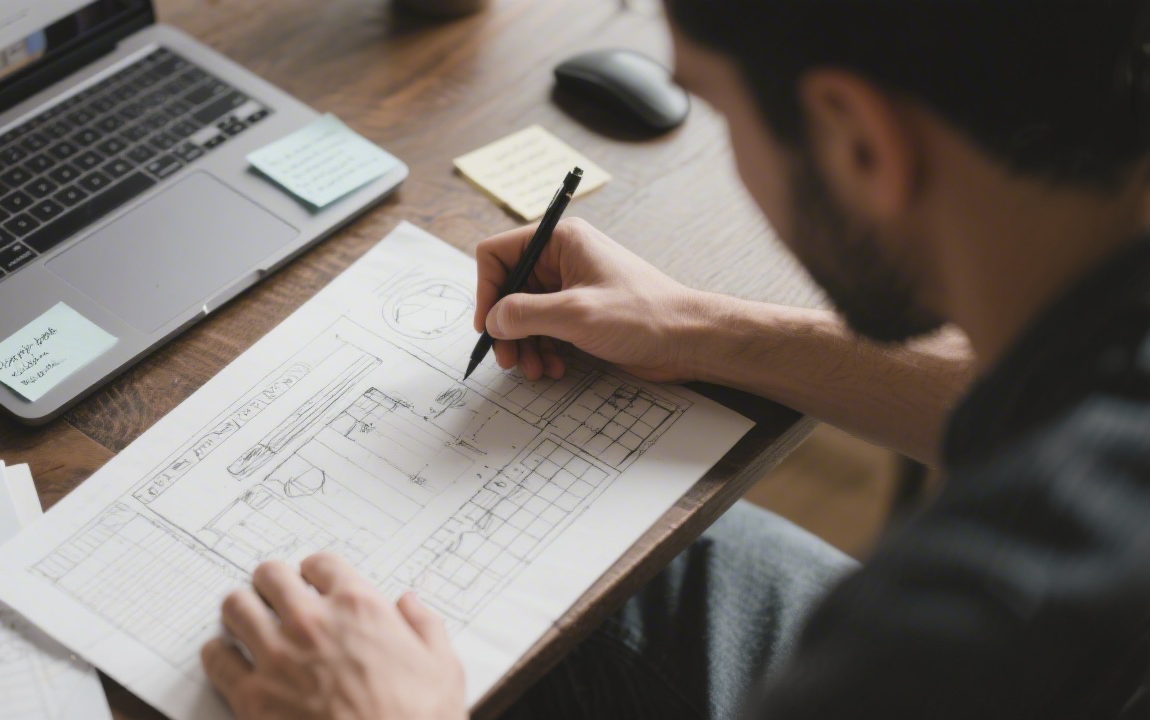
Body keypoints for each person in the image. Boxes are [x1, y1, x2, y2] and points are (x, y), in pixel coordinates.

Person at [199, 1, 1150, 717]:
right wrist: (696, 328)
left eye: (720, 110)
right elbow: (1045, 392)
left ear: (860, 140)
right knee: (650, 552)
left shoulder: (967, 620)